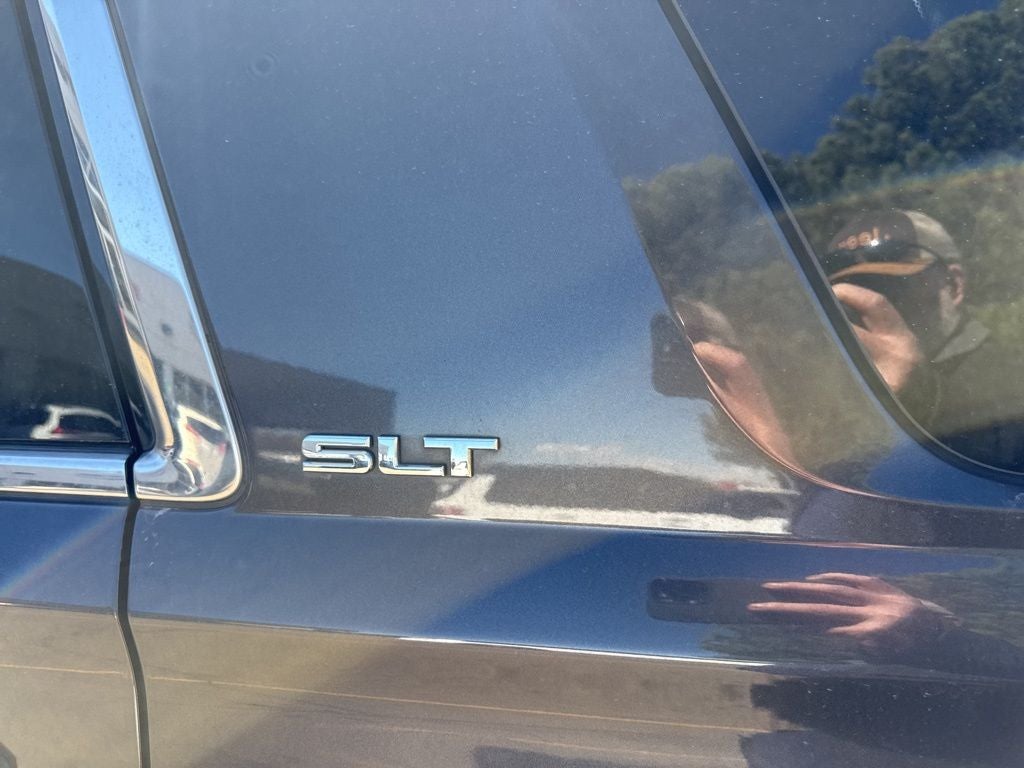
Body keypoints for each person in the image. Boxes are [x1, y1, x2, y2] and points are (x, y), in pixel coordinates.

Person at [822, 209, 1024, 471]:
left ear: (953, 286)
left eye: (890, 287)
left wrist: (917, 396)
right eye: (846, 299)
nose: (870, 307)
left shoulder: (1010, 377)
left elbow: (1004, 462)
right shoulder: (839, 387)